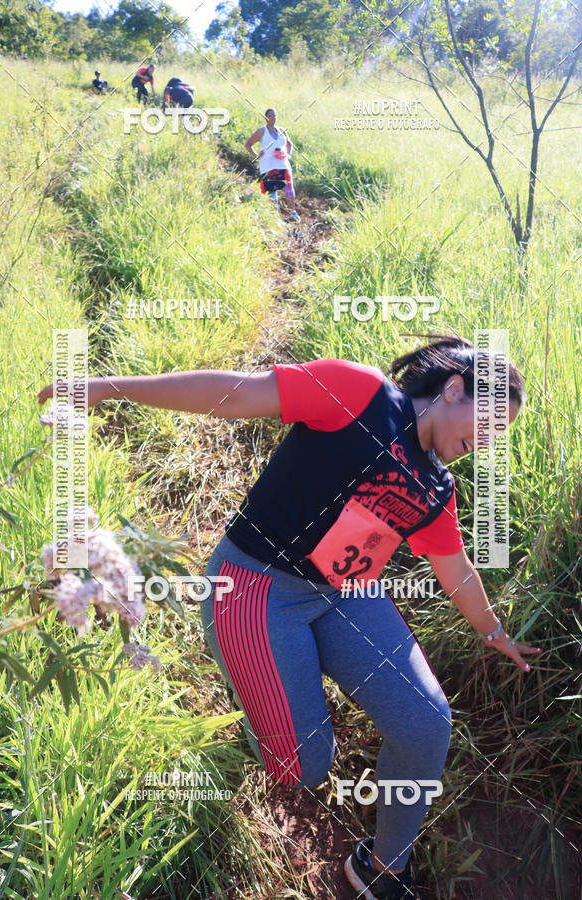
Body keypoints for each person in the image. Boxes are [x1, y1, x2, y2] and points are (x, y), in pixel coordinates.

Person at [37, 335, 540, 900]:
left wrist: (494, 633)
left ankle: (380, 871)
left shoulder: (436, 487)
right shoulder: (361, 394)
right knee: (302, 767)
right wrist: (107, 387)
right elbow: (232, 392)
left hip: (344, 595)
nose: (487, 441)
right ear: (454, 388)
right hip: (255, 587)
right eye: (490, 421)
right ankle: (256, 686)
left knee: (426, 723)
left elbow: (459, 572)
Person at [245, 108, 300, 223]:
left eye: (274, 116)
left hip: (283, 163)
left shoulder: (281, 130)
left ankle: (292, 213)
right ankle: (273, 217)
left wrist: (288, 155)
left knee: (289, 186)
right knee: (272, 190)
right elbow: (248, 144)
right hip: (268, 164)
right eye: (270, 116)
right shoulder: (261, 131)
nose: (272, 118)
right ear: (266, 117)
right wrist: (256, 155)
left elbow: (289, 144)